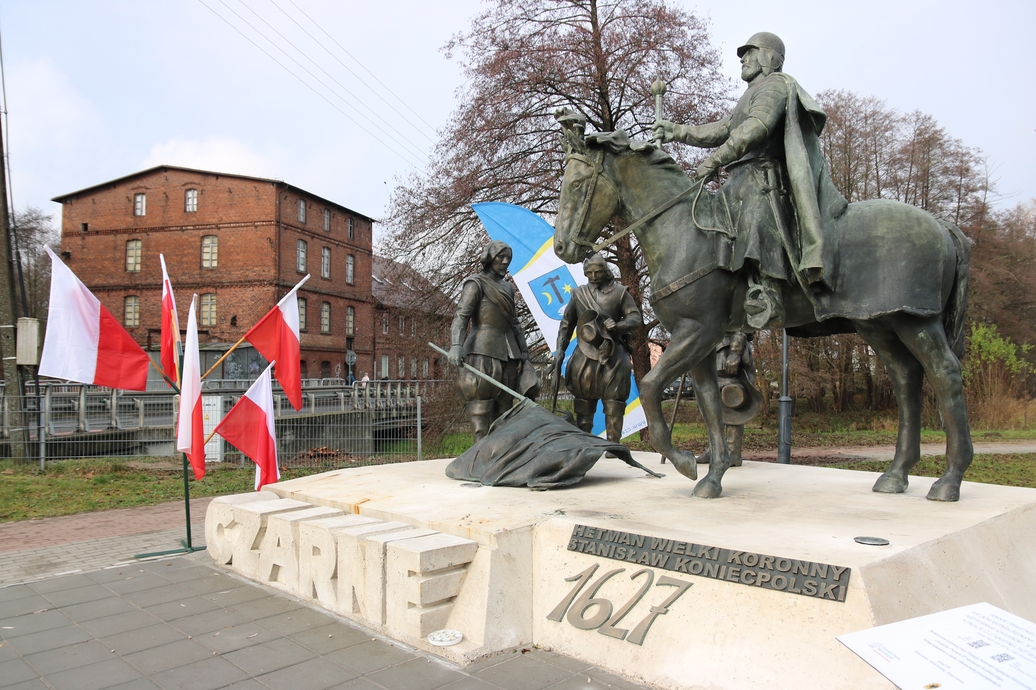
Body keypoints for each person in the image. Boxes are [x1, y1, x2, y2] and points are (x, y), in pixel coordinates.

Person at [653, 32, 847, 329]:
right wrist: (675, 130)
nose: (743, 59)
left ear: (770, 57)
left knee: (755, 215)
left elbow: (756, 127)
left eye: (750, 52)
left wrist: (715, 160)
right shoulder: (751, 94)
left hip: (762, 177)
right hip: (737, 178)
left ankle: (769, 290)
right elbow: (724, 129)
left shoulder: (775, 85)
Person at [449, 241, 540, 442]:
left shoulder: (508, 287)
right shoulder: (476, 283)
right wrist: (456, 344)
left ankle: (502, 453)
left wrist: (524, 354)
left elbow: (514, 323)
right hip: (482, 351)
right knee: (480, 409)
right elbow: (462, 315)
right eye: (501, 257)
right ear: (489, 258)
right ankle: (480, 454)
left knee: (505, 410)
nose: (506, 262)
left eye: (508, 258)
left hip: (509, 353)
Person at [554, 253, 643, 444]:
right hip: (584, 355)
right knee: (583, 403)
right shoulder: (578, 294)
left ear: (606, 271)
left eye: (598, 272)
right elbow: (566, 324)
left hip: (614, 354)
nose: (594, 277)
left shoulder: (620, 292)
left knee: (614, 402)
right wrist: (560, 349)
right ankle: (585, 444)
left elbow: (635, 318)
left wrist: (618, 326)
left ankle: (613, 445)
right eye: (590, 273)